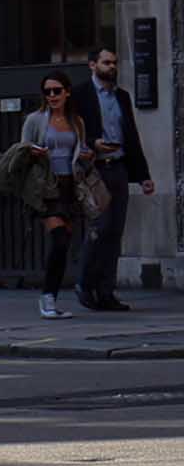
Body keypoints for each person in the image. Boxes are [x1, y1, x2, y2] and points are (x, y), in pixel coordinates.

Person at [71, 46, 153, 311]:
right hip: (95, 170)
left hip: (118, 168)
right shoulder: (80, 95)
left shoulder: (122, 97)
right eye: (106, 62)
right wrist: (93, 143)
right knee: (100, 227)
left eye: (114, 62)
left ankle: (106, 291)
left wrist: (143, 176)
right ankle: (84, 283)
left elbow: (131, 137)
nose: (112, 67)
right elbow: (71, 132)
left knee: (115, 233)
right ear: (92, 65)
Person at [20, 70, 90, 320]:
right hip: (45, 186)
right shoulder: (35, 120)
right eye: (47, 91)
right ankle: (47, 298)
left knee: (64, 244)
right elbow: (21, 151)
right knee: (59, 239)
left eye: (57, 90)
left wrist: (87, 155)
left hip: (69, 185)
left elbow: (79, 152)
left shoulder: (77, 122)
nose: (52, 95)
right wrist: (33, 152)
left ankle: (52, 298)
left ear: (67, 92)